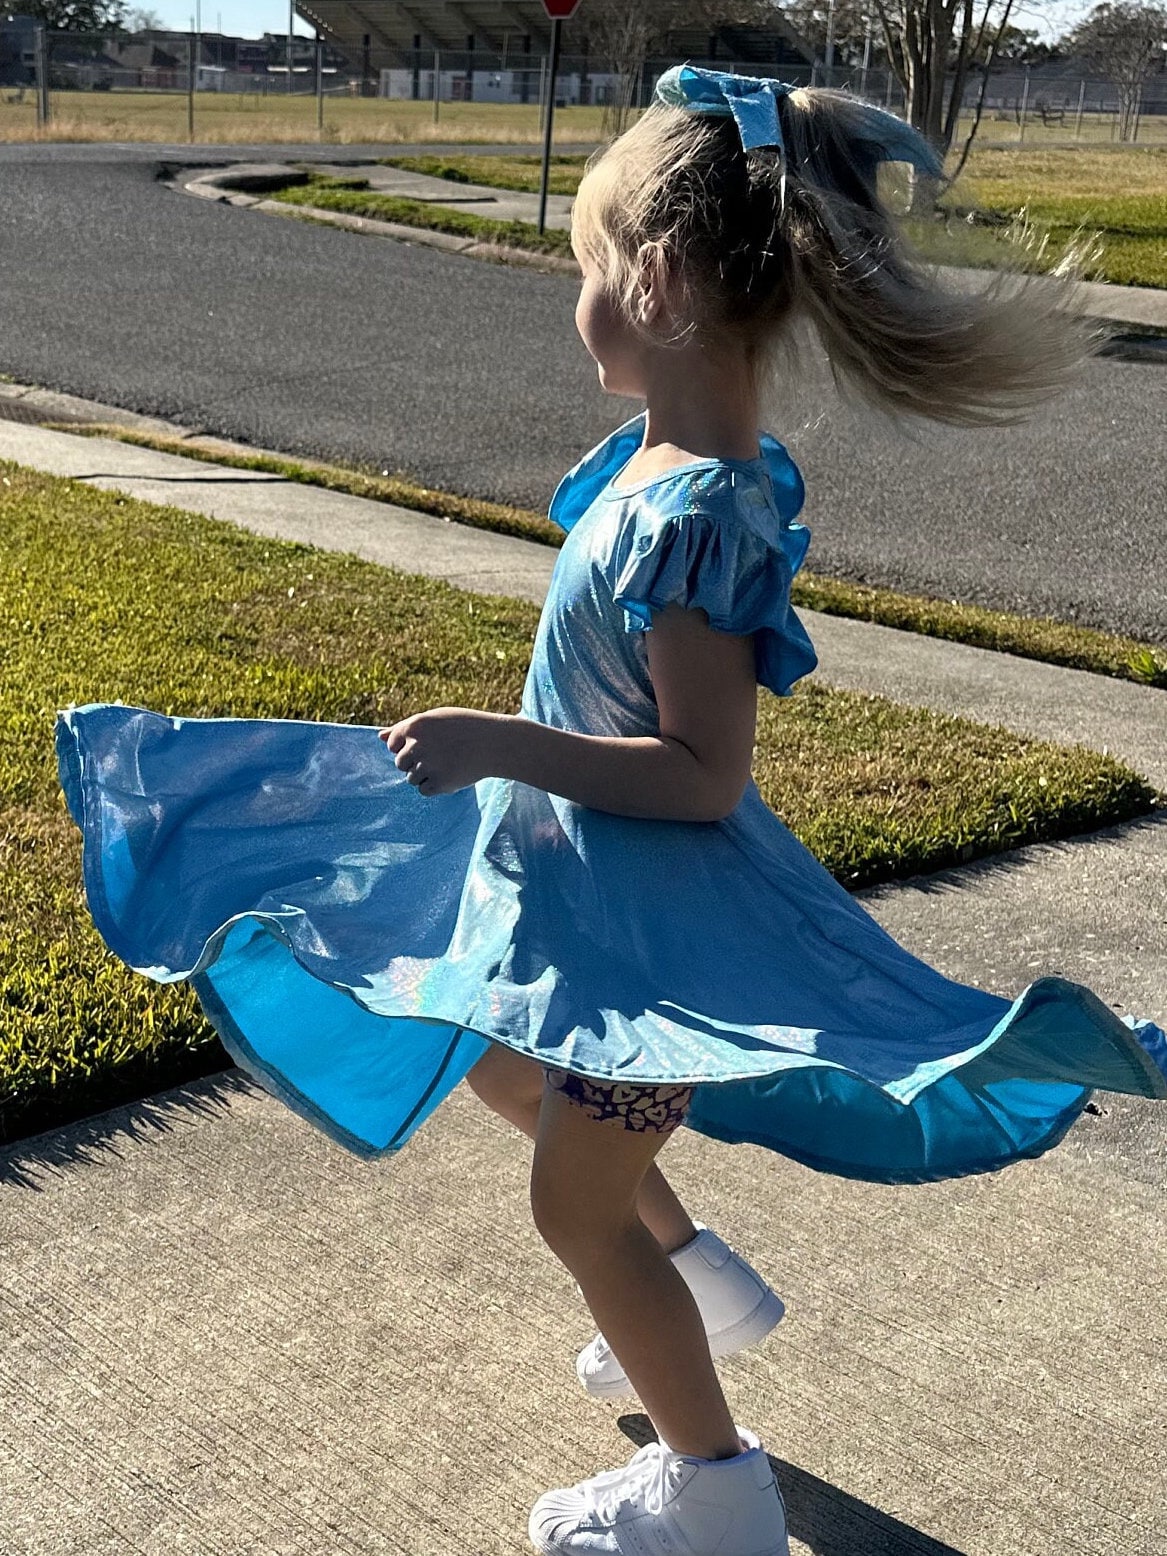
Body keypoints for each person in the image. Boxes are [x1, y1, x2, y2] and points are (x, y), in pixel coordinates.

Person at [56, 66, 1166, 1556]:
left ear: (652, 283)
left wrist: (503, 742)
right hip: (586, 913)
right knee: (502, 1073)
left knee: (575, 1213)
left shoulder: (698, 506)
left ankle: (713, 1490)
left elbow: (704, 775)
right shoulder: (668, 473)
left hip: (653, 949)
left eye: (585, 265)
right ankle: (695, 1281)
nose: (572, 294)